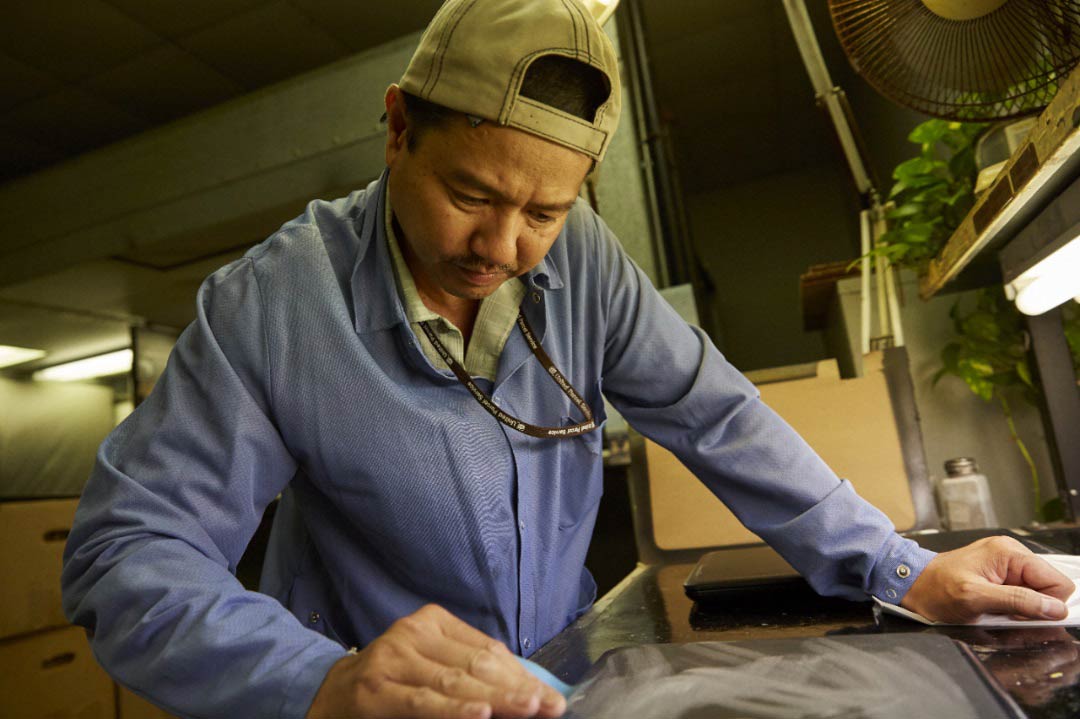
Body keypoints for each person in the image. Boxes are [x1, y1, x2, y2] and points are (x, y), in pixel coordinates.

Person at [61, 1, 1074, 718]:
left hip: (556, 685)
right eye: (470, 194)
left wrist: (906, 568)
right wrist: (315, 682)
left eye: (544, 210)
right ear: (399, 128)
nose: (501, 248)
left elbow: (718, 417)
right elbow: (128, 554)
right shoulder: (272, 303)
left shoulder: (584, 260)